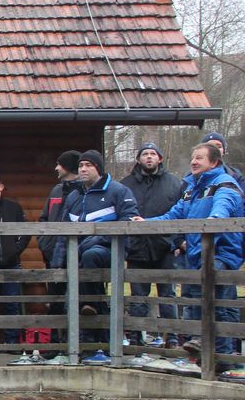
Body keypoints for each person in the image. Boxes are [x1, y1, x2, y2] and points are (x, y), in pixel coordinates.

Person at [137, 143, 243, 370]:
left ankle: (221, 359)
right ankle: (204, 353)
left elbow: (223, 207)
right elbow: (174, 215)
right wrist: (147, 223)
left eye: (199, 158)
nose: (193, 162)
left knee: (217, 303)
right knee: (196, 299)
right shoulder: (191, 189)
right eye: (193, 158)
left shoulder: (225, 185)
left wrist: (215, 219)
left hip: (221, 253)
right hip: (197, 254)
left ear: (213, 162)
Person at [52, 150, 139, 356]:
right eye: (81, 166)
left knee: (91, 256)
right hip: (77, 254)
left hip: (108, 250)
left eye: (88, 166)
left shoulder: (118, 191)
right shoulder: (74, 195)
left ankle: (92, 308)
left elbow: (129, 220)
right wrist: (57, 261)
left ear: (98, 168)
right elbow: (64, 229)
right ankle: (86, 344)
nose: (83, 169)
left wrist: (96, 239)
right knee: (73, 297)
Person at [120, 143, 182, 347]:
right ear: (138, 159)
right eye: (144, 154)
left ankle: (171, 338)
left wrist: (178, 241)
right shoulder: (126, 185)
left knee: (167, 295)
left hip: (165, 247)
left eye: (152, 154)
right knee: (138, 296)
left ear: (160, 158)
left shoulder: (174, 183)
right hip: (137, 249)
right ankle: (136, 338)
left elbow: (181, 213)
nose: (149, 157)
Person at [38, 150, 83, 348]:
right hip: (53, 255)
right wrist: (44, 243)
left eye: (59, 164)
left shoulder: (85, 191)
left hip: (79, 256)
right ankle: (56, 345)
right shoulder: (56, 190)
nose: (56, 168)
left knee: (81, 300)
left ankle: (79, 344)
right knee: (55, 300)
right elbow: (44, 218)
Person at [0, 175, 29, 345]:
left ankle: (12, 342)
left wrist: (15, 251)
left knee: (12, 303)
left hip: (12, 263)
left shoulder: (14, 207)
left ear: (1, 187)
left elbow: (25, 233)